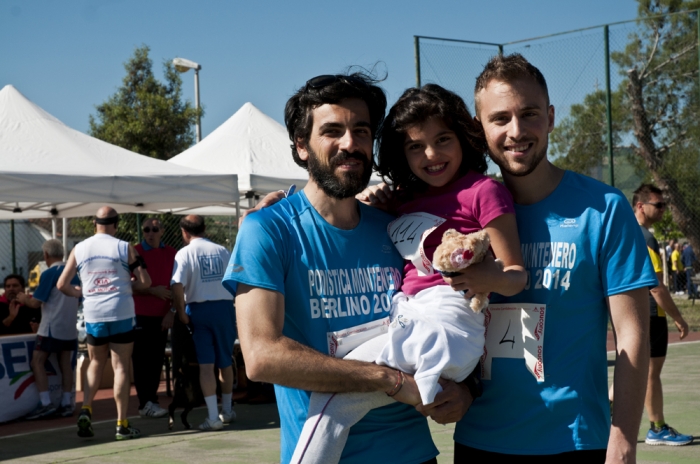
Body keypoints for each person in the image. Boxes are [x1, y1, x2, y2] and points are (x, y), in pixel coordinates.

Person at [291, 83, 528, 463]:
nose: (431, 155)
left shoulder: (484, 191)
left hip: (448, 325)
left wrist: (486, 279)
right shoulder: (404, 198)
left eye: (443, 139)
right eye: (415, 146)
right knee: (337, 386)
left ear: (464, 137)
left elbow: (517, 275)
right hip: (411, 318)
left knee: (332, 396)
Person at [440, 53, 657, 462]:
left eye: (530, 114)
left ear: (551, 117)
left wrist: (624, 437)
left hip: (574, 440)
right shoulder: (461, 213)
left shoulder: (603, 208)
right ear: (478, 128)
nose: (516, 131)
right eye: (500, 118)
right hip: (479, 439)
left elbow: (632, 334)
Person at [223, 72, 440, 464]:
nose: (350, 143)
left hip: (414, 453)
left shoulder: (395, 229)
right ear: (302, 146)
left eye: (361, 130)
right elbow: (260, 356)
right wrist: (386, 380)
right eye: (332, 131)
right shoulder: (268, 229)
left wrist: (459, 390)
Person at [58, 206, 151, 441]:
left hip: (93, 313)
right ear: (116, 224)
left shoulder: (79, 248)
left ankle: (86, 408)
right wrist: (126, 286)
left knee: (96, 362)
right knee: (121, 366)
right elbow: (146, 282)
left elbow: (62, 285)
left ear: (94, 223)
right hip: (120, 312)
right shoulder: (124, 247)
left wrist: (82, 291)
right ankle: (122, 424)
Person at [627, 184, 692, 446]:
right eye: (659, 204)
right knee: (650, 374)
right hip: (651, 314)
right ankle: (657, 428)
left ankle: (609, 411)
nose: (663, 209)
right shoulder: (645, 237)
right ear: (641, 206)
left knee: (639, 371)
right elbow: (655, 286)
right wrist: (679, 317)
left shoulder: (625, 231)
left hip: (632, 312)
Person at [171, 214, 236, 431]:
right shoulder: (222, 250)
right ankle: (226, 411)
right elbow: (236, 279)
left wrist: (180, 312)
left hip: (199, 309)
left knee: (206, 366)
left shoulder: (184, 253)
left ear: (184, 232)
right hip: (224, 308)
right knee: (226, 362)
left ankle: (212, 417)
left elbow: (177, 284)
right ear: (205, 229)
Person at [16, 239, 80, 419]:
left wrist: (24, 299)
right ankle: (66, 402)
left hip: (51, 327)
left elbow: (36, 302)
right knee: (65, 364)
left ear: (46, 255)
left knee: (37, 361)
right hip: (69, 329)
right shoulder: (74, 273)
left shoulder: (49, 273)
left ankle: (46, 403)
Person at [132, 217, 177, 419]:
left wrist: (171, 311)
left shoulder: (172, 253)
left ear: (162, 231)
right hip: (139, 315)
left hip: (162, 317)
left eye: (154, 229)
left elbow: (177, 286)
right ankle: (146, 402)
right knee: (142, 361)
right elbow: (127, 286)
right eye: (146, 229)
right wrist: (152, 291)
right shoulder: (134, 252)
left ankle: (151, 401)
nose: (150, 233)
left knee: (156, 360)